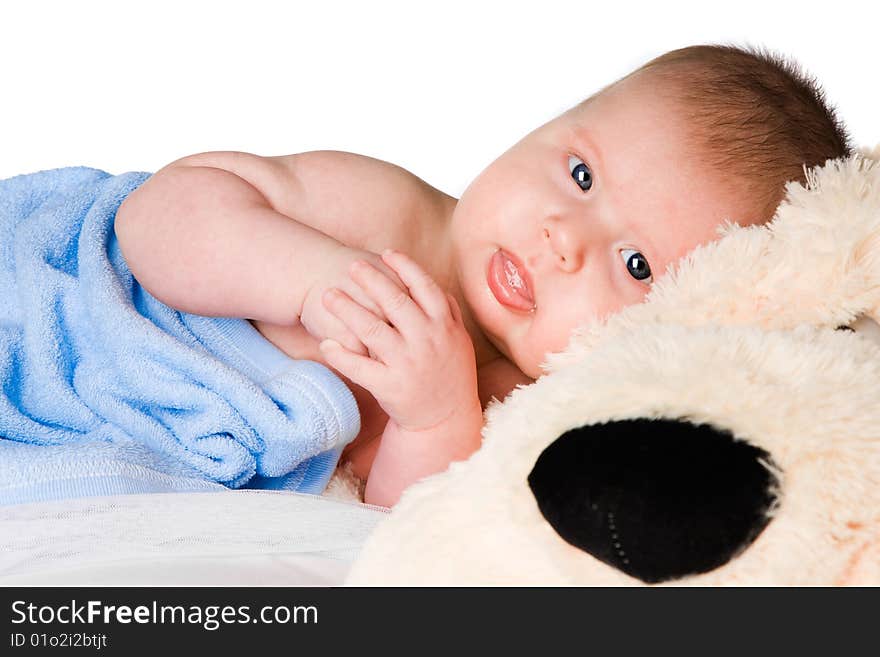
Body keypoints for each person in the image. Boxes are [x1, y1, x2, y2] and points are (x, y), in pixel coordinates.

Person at [114, 44, 852, 507]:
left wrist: (433, 419)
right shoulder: (388, 216)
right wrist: (317, 280)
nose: (561, 237)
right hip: (89, 303)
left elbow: (390, 525)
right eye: (581, 173)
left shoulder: (515, 406)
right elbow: (153, 218)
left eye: (636, 264)